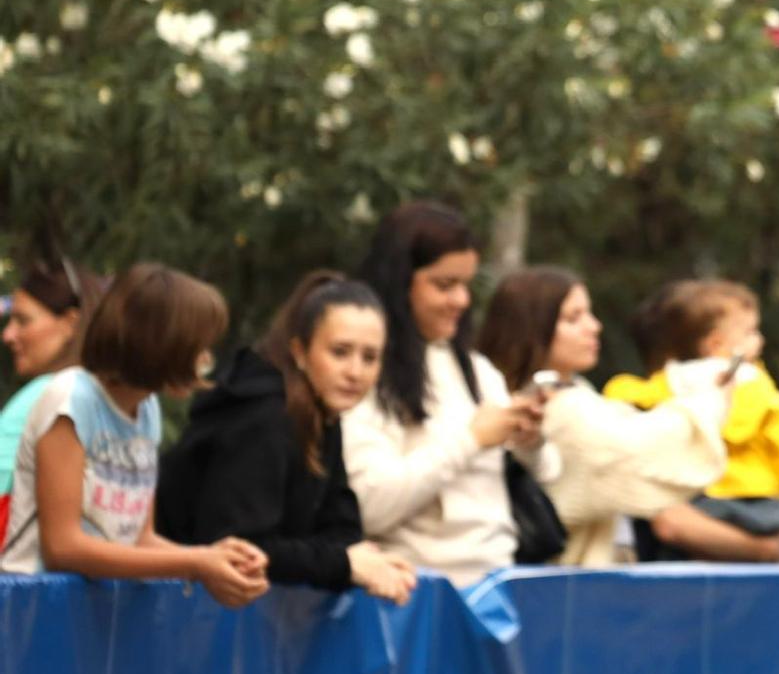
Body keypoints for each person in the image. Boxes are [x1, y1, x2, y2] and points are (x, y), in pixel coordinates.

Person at [0, 263, 268, 608]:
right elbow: (62, 547)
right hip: (35, 610)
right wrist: (196, 564)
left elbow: (138, 540)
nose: (205, 360)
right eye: (197, 347)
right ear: (160, 344)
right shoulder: (71, 399)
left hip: (93, 615)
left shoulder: (147, 409)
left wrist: (215, 559)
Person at [155, 272, 417, 602]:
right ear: (300, 352)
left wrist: (361, 560)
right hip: (171, 607)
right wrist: (344, 563)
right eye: (340, 352)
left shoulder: (324, 412)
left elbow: (342, 529)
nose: (355, 371)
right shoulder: (263, 417)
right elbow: (243, 549)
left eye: (370, 357)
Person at [342, 202, 555, 587]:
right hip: (412, 595)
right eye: (444, 285)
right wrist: (471, 440)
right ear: (399, 281)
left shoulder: (477, 370)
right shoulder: (363, 374)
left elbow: (550, 472)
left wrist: (530, 440)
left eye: (466, 285)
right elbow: (370, 506)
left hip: (497, 584)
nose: (461, 301)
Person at [478, 267, 733, 567]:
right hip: (562, 586)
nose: (594, 326)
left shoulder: (573, 396)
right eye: (573, 318)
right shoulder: (557, 408)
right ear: (533, 327)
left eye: (589, 314)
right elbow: (643, 449)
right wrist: (711, 398)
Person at [606, 279, 779, 563]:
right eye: (751, 332)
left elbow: (636, 395)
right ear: (717, 343)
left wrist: (616, 392)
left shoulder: (675, 382)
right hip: (760, 508)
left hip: (702, 501)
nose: (760, 340)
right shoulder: (760, 389)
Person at [1, 258, 99, 542]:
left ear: (70, 323)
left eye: (23, 320)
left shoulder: (46, 392)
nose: (8, 335)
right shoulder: (104, 397)